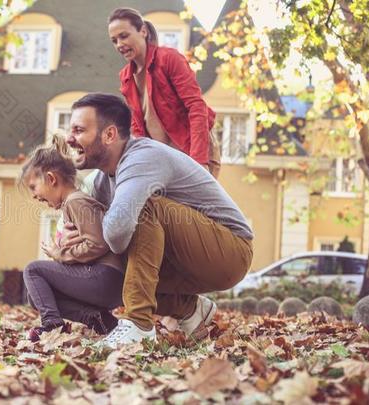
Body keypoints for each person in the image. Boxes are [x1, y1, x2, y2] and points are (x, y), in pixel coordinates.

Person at [64, 93, 253, 349]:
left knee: (141, 208)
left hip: (230, 251)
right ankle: (190, 309)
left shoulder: (142, 158)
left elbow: (117, 234)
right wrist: (70, 245)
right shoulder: (101, 181)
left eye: (78, 130)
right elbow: (86, 238)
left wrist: (94, 238)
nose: (69, 138)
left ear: (109, 135)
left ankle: (138, 325)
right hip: (187, 260)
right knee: (111, 271)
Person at [20, 136, 124, 342]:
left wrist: (62, 254)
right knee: (37, 295)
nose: (34, 196)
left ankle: (51, 325)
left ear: (51, 179)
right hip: (102, 280)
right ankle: (99, 319)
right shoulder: (72, 204)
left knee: (33, 270)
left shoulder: (76, 202)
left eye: (33, 187)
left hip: (106, 278)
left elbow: (98, 243)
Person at [108, 7, 221, 177]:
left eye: (124, 36)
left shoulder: (168, 59)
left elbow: (196, 107)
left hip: (194, 151)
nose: (119, 44)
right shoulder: (126, 77)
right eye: (114, 40)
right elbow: (137, 128)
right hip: (163, 159)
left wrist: (199, 162)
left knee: (195, 205)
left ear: (143, 31)